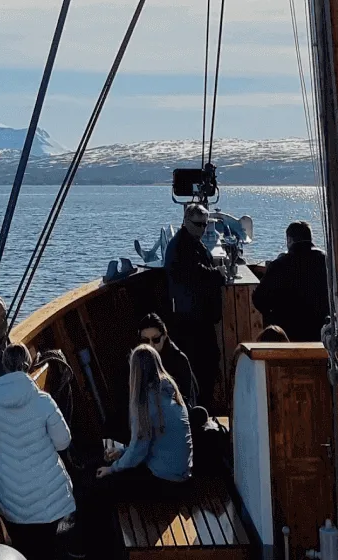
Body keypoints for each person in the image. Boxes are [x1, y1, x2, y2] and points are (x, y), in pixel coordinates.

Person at [0, 344, 75, 560]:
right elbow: (63, 442)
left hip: (11, 503)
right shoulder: (43, 402)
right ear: (29, 364)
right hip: (49, 501)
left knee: (24, 550)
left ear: (4, 366)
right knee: (50, 549)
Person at [95, 345, 193, 491]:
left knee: (104, 482)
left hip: (167, 480)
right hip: (183, 473)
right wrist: (122, 452)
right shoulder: (170, 391)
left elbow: (139, 450)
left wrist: (113, 468)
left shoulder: (146, 403)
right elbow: (146, 443)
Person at [165, 203, 225, 409]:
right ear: (185, 222)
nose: (202, 229)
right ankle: (197, 413)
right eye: (198, 224)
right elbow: (195, 274)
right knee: (198, 369)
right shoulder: (182, 246)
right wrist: (218, 274)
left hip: (198, 319)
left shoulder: (191, 243)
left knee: (207, 367)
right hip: (190, 322)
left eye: (205, 225)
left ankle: (202, 410)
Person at [252, 221, 331, 342]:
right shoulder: (327, 261)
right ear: (310, 237)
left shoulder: (279, 265)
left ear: (289, 240)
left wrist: (274, 313)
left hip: (289, 335)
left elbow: (259, 299)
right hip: (322, 333)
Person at [137, 313, 199, 407]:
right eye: (145, 340)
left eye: (156, 339)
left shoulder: (179, 360)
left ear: (164, 335)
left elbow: (185, 400)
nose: (150, 345)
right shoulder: (137, 359)